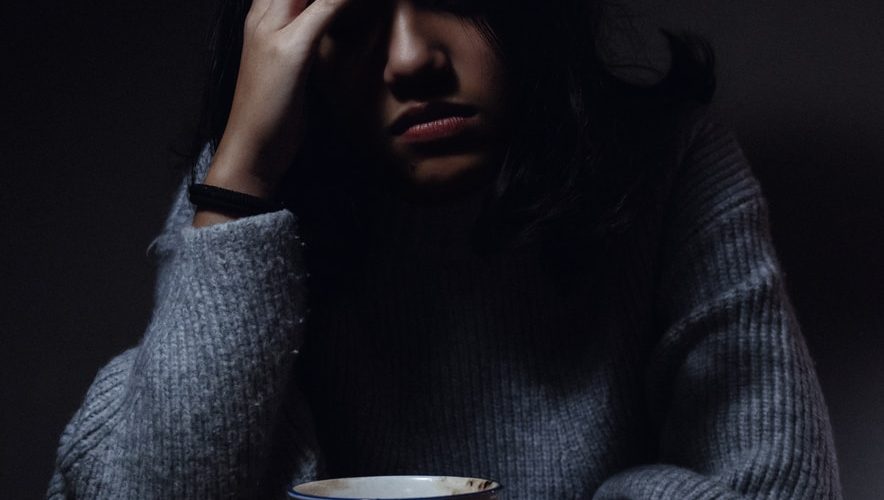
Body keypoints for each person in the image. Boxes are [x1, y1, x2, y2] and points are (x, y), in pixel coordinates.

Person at [48, 0, 842, 498]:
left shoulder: (668, 165)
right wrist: (239, 179)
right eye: (349, 21)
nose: (410, 59)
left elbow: (781, 487)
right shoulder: (251, 194)